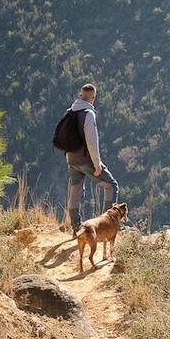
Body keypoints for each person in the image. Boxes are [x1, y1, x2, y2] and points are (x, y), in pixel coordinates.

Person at [64, 83, 120, 236]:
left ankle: (77, 228)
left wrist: (69, 157)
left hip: (71, 159)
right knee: (111, 185)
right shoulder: (88, 114)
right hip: (86, 160)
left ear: (80, 95)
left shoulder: (69, 112)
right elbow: (91, 142)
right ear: (93, 98)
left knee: (75, 190)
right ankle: (107, 225)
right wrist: (97, 164)